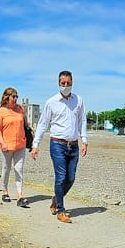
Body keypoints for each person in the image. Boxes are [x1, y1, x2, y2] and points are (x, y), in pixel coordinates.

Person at [31, 70, 88, 223]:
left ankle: (57, 198)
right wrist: (35, 145)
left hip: (74, 145)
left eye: (68, 83)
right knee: (61, 177)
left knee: (71, 178)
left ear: (72, 83)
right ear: (58, 84)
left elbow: (82, 121)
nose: (65, 85)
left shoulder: (79, 100)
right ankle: (61, 211)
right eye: (63, 83)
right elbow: (43, 124)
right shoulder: (52, 102)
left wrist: (84, 141)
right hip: (57, 144)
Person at [0, 87, 29, 207]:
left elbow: (25, 125)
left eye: (16, 97)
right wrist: (2, 142)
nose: (15, 99)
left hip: (20, 144)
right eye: (13, 97)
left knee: (19, 169)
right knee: (6, 169)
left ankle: (20, 196)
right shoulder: (1, 111)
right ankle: (5, 191)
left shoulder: (20, 109)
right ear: (7, 97)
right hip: (7, 145)